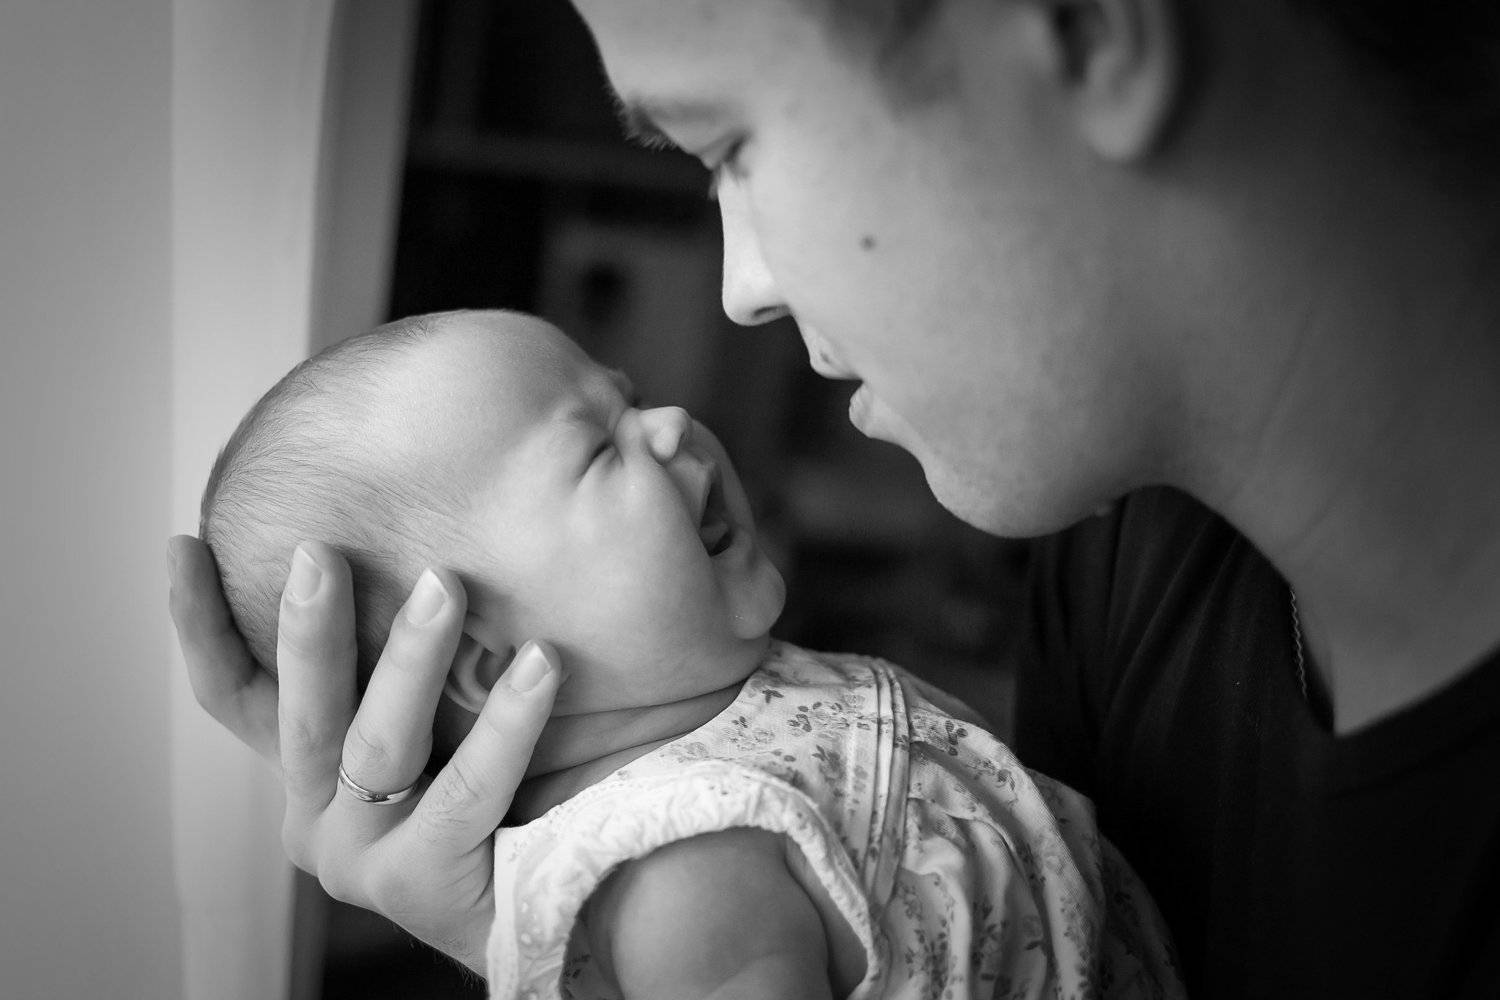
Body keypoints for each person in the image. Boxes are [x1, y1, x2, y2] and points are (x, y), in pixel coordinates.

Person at [168, 0, 1500, 995]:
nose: (740, 288)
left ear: (1085, 28)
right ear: (482, 661)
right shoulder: (1126, 560)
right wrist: (539, 936)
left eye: (731, 142)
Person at [199, 308, 1183, 998]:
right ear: (493, 668)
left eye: (631, 399)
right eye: (598, 449)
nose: (669, 424)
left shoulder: (740, 710)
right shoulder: (675, 870)